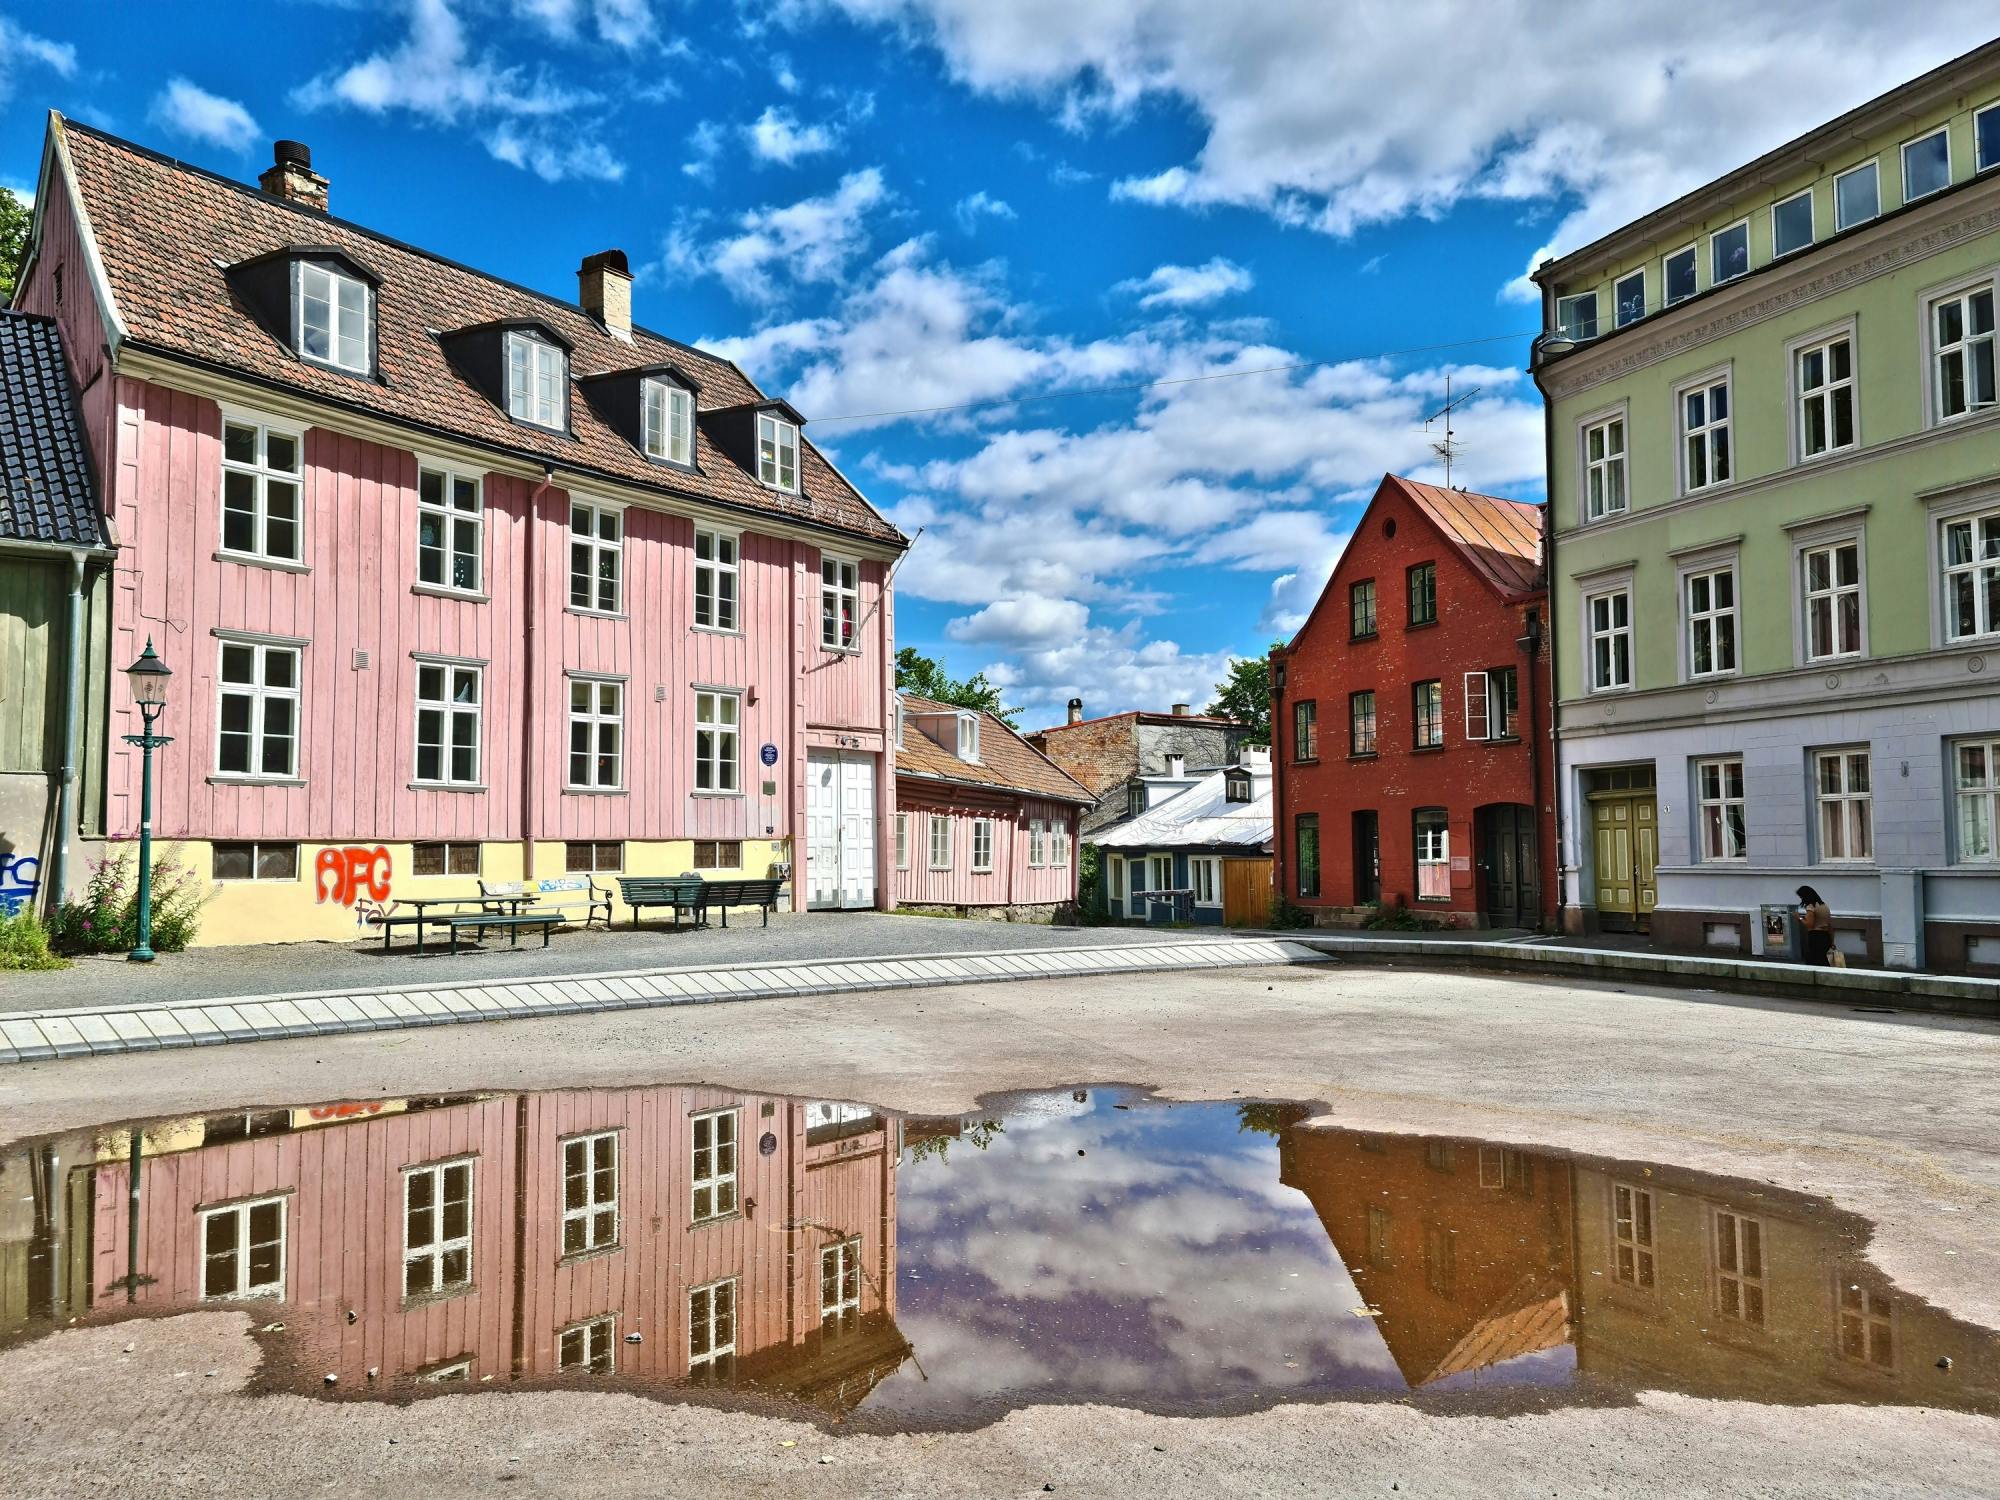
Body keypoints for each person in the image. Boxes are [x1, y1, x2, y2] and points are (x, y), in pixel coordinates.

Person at [1795, 885, 1834, 966]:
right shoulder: (1824, 905)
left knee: (1814, 961)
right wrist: (1832, 941)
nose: (1802, 899)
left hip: (1816, 937)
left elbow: (1809, 925)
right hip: (1826, 936)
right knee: (1823, 961)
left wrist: (1799, 918)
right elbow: (1830, 925)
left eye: (1801, 897)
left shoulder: (1811, 907)